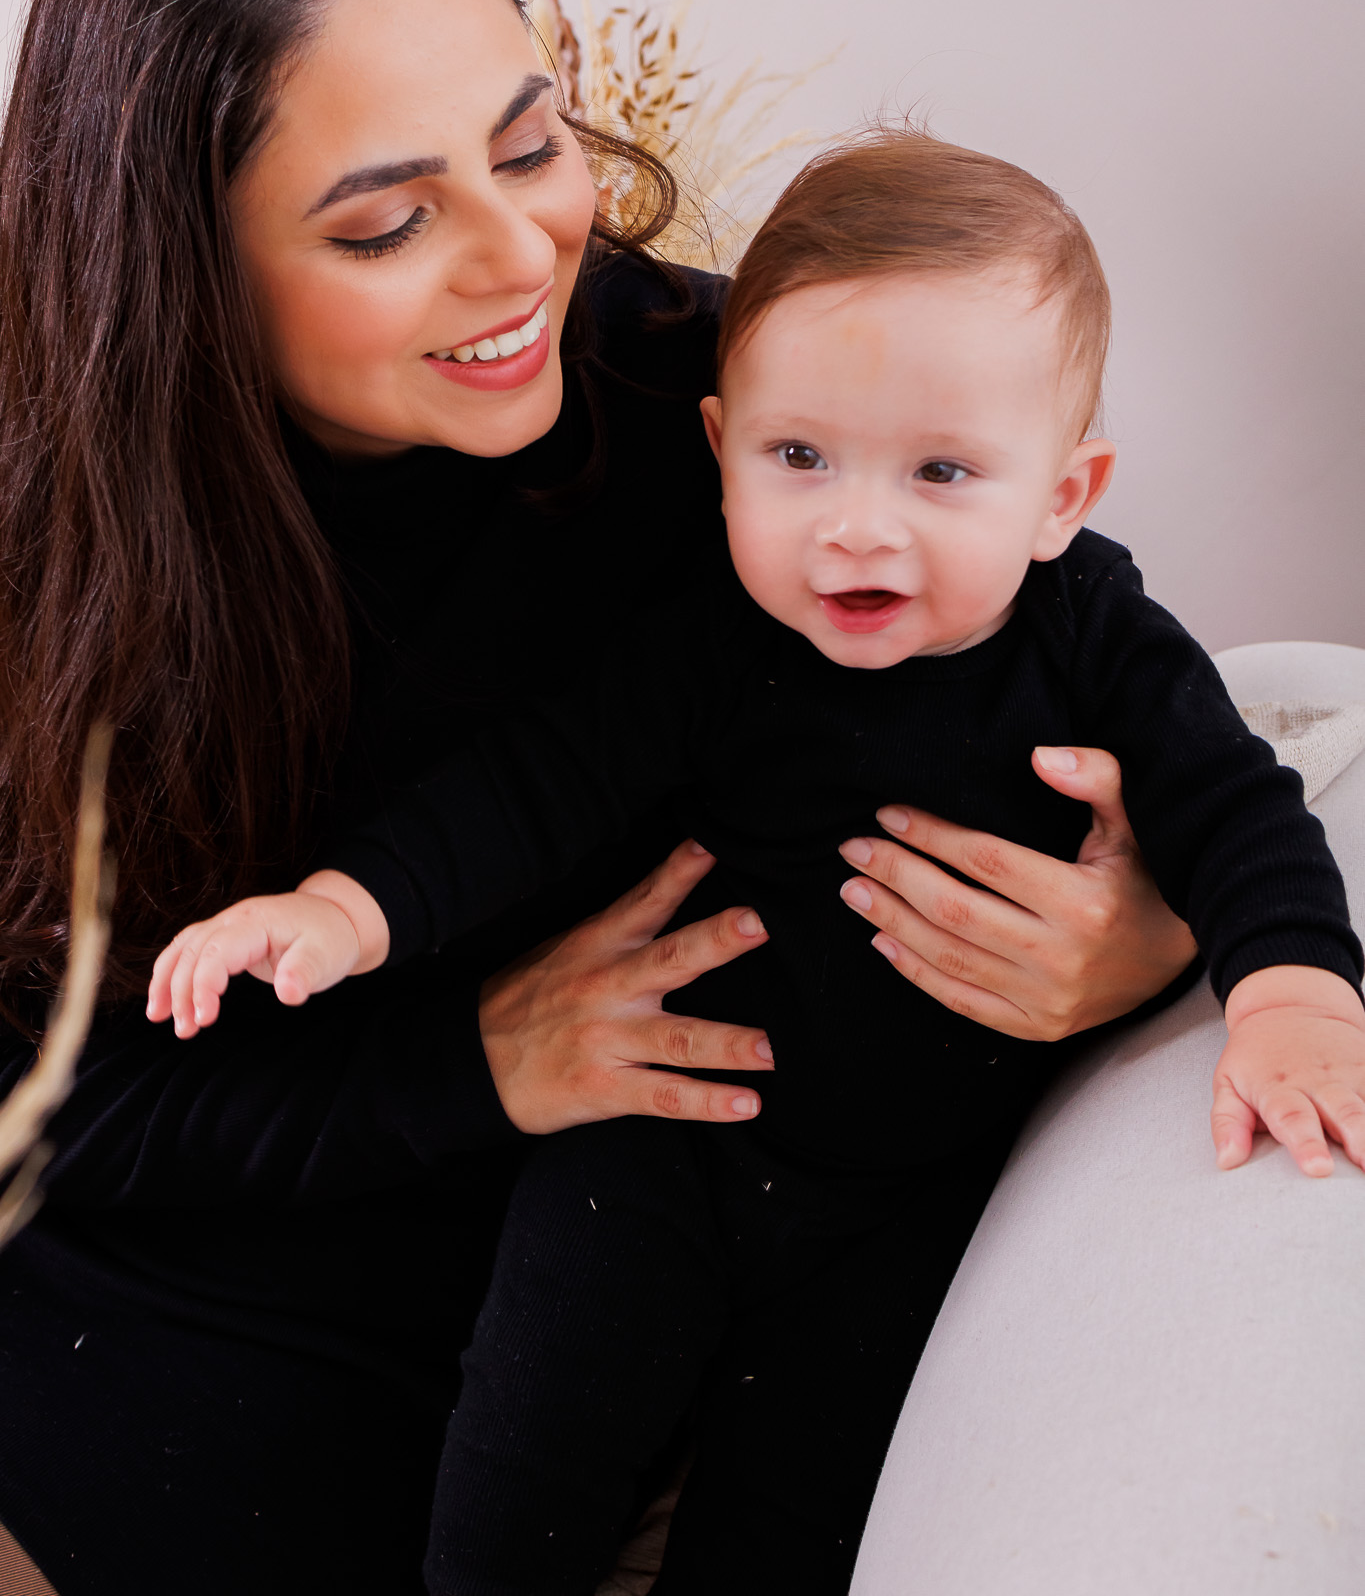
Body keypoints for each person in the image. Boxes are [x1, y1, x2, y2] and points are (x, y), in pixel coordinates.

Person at [0, 0, 1199, 1596]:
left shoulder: (724, 414)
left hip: (577, 1291)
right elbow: (58, 1103)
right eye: (388, 223)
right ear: (191, 282)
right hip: (173, 1288)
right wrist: (472, 1061)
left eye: (529, 141)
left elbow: (1090, 655)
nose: (517, 256)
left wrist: (1149, 935)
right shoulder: (69, 560)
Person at [155, 130, 1365, 1594]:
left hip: (901, 1199)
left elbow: (1237, 809)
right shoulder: (709, 650)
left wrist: (1291, 994)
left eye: (941, 471)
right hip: (654, 1148)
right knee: (517, 1480)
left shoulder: (1096, 642)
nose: (859, 525)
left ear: (1061, 494)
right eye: (799, 458)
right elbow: (520, 797)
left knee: (791, 1522)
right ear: (721, 447)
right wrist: (336, 916)